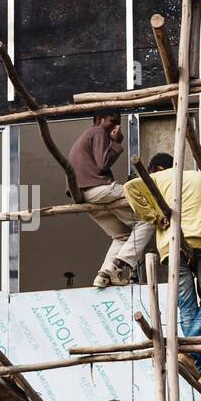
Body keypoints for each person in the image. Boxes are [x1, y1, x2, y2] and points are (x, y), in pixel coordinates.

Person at [124, 152, 201, 389]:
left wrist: (155, 217)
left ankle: (193, 360)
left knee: (188, 308)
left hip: (172, 246)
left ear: (156, 168)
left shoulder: (158, 178)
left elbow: (129, 188)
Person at [68, 111, 154, 288]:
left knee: (121, 235)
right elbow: (103, 164)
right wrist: (116, 142)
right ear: (99, 119)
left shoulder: (85, 137)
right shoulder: (98, 131)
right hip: (99, 188)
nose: (116, 127)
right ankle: (120, 264)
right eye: (112, 122)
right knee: (149, 218)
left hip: (85, 197)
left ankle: (104, 275)